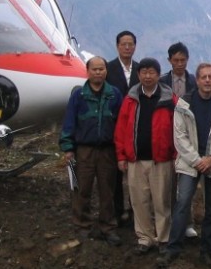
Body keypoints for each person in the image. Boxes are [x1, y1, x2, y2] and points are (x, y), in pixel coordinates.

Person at [157, 63, 211, 268]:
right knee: (183, 203)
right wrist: (197, 160)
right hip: (189, 163)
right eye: (204, 77)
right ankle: (173, 248)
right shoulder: (184, 104)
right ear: (198, 80)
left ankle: (207, 251)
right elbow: (180, 136)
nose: (208, 80)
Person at [114, 57, 178, 255]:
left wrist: (176, 155)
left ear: (158, 75)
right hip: (135, 160)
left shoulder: (169, 99)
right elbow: (121, 129)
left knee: (162, 201)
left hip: (162, 160)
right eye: (144, 72)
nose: (148, 76)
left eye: (152, 72)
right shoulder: (130, 99)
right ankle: (145, 238)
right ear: (138, 74)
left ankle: (164, 238)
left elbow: (179, 129)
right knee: (139, 201)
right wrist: (121, 156)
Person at [59, 56, 123, 247]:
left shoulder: (114, 94)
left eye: (101, 69)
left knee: (107, 190)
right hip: (84, 150)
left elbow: (121, 124)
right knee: (82, 189)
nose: (98, 72)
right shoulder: (79, 95)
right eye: (94, 69)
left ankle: (107, 227)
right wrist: (68, 148)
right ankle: (82, 225)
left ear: (106, 71)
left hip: (107, 151)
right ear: (87, 71)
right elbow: (69, 122)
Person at [159, 42, 198, 238]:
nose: (180, 64)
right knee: (167, 184)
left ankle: (187, 222)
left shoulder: (194, 81)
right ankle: (168, 223)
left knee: (186, 184)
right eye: (176, 60)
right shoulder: (161, 82)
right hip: (167, 135)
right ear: (169, 61)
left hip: (189, 136)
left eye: (183, 60)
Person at [105, 30, 140, 226]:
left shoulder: (141, 69)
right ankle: (117, 212)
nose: (127, 47)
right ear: (117, 46)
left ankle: (136, 212)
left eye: (130, 44)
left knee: (136, 174)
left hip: (136, 127)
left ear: (135, 46)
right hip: (115, 125)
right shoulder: (108, 69)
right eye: (123, 44)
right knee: (115, 174)